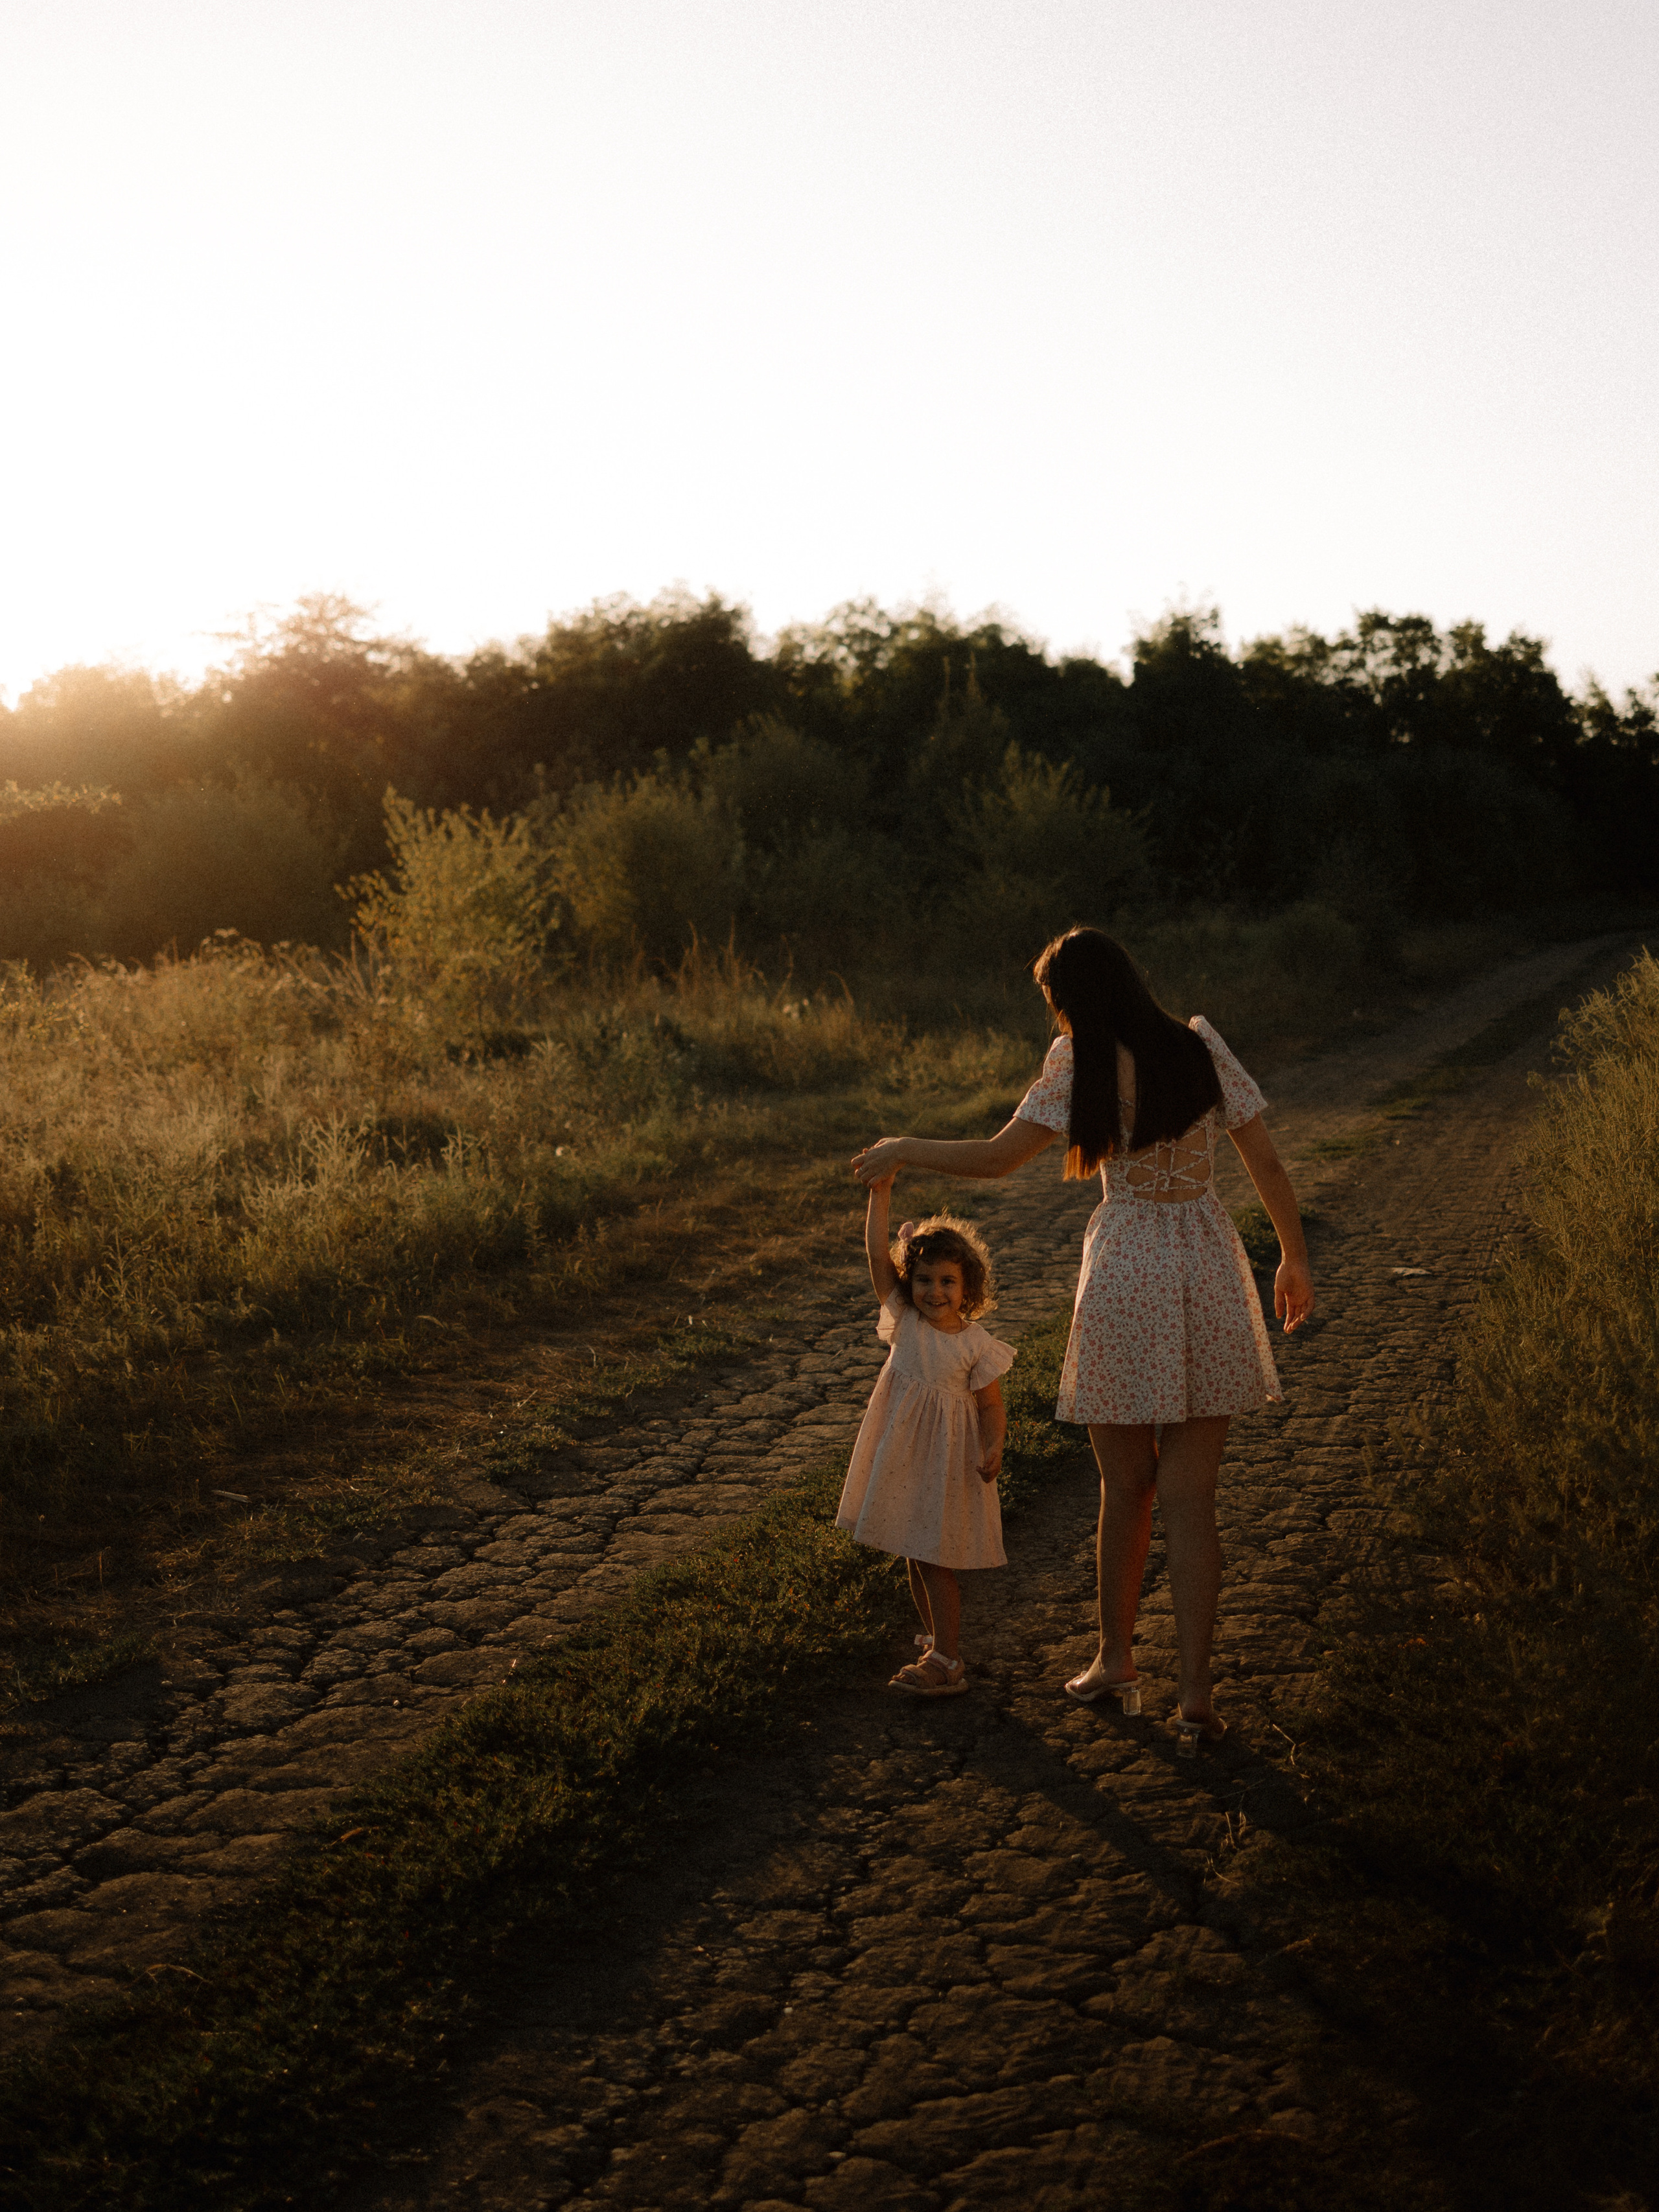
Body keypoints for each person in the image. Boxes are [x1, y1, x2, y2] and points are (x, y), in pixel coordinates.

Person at [852, 926, 1313, 1751]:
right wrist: (1292, 1256)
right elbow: (1267, 1163)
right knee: (1191, 1498)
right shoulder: (1198, 1044)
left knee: (1124, 1484)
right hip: (1207, 1261)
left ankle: (1115, 1658)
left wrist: (903, 1148)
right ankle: (1196, 1693)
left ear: (1071, 1001)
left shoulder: (1079, 1062)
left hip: (1126, 1268)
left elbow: (997, 1159)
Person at [836, 1173, 1015, 1697]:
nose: (934, 1291)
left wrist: (994, 1444)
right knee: (913, 1551)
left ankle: (948, 1659)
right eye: (924, 1280)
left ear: (968, 1288)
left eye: (947, 1282)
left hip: (946, 1462)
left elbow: (991, 1406)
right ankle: (939, 1640)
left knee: (934, 1557)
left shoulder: (976, 1345)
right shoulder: (906, 1320)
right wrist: (880, 1193)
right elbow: (877, 1255)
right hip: (904, 1455)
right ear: (909, 1282)